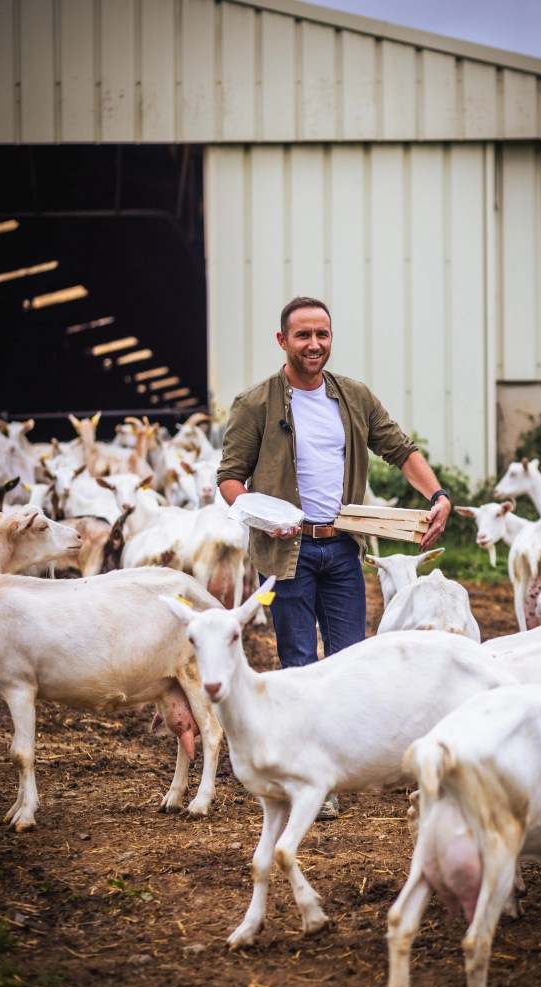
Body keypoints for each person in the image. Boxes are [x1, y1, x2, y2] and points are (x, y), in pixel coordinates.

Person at [217, 296, 451, 817]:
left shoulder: (353, 398)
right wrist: (257, 512)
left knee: (351, 662)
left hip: (343, 545)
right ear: (283, 341)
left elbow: (399, 448)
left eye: (322, 334)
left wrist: (436, 495)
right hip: (286, 550)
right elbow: (230, 477)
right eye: (303, 335)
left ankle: (344, 766)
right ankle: (310, 780)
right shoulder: (256, 403)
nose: (314, 344)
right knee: (298, 662)